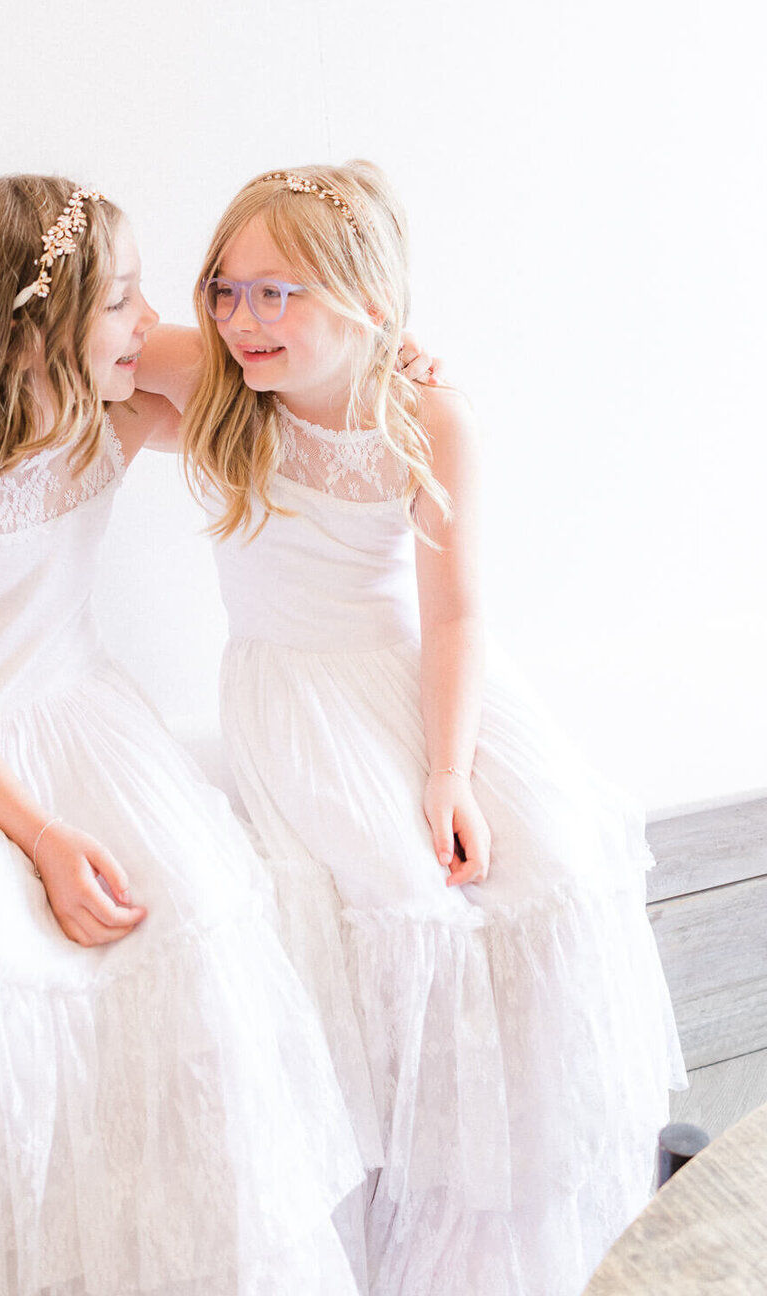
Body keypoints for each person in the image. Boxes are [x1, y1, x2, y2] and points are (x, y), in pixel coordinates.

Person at [0, 174, 373, 1296]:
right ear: (35, 327)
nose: (153, 324)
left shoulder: (121, 413)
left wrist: (400, 354)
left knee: (195, 921)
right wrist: (45, 837)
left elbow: (240, 367)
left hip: (86, 717)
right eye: (126, 301)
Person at [163, 161, 686, 1296]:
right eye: (226, 288)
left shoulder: (425, 413)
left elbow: (455, 613)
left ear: (367, 300)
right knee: (400, 893)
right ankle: (394, 1173)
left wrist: (448, 770)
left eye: (279, 293)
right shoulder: (216, 374)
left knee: (553, 855)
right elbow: (88, 358)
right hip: (296, 692)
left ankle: (504, 1190)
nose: (244, 320)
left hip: (420, 679)